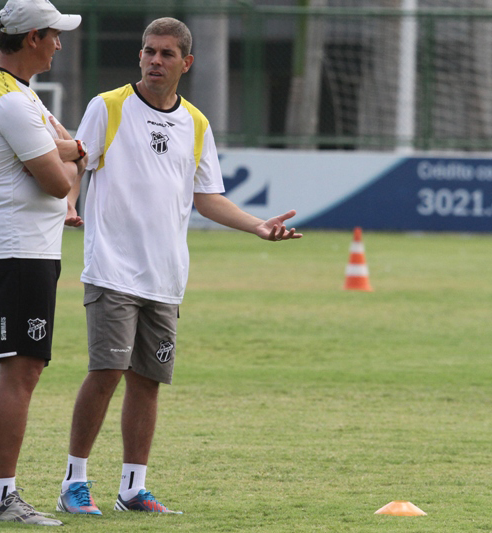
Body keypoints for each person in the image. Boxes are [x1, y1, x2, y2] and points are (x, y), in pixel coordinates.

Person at [56, 17, 303, 516]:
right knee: (106, 372)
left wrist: (257, 226)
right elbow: (77, 162)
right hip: (112, 270)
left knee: (148, 382)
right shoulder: (107, 106)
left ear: (186, 62)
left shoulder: (196, 123)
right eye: (149, 51)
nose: (155, 60)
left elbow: (207, 197)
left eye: (167, 53)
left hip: (166, 278)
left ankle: (133, 488)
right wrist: (68, 201)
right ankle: (73, 482)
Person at [0, 0, 85, 526]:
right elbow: (59, 180)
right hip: (18, 249)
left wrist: (66, 150)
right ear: (33, 36)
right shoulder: (12, 101)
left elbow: (70, 146)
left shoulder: (16, 91)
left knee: (4, 367)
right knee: (21, 369)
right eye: (55, 34)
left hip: (18, 246)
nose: (60, 43)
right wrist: (68, 156)